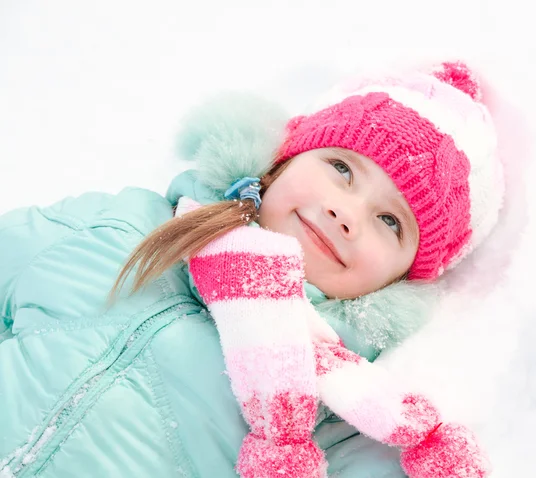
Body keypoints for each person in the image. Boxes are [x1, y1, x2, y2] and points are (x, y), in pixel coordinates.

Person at [0, 61, 503, 477]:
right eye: (342, 169)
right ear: (284, 158)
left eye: (390, 221)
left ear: (400, 278)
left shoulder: (336, 400)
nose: (346, 214)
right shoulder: (124, 223)